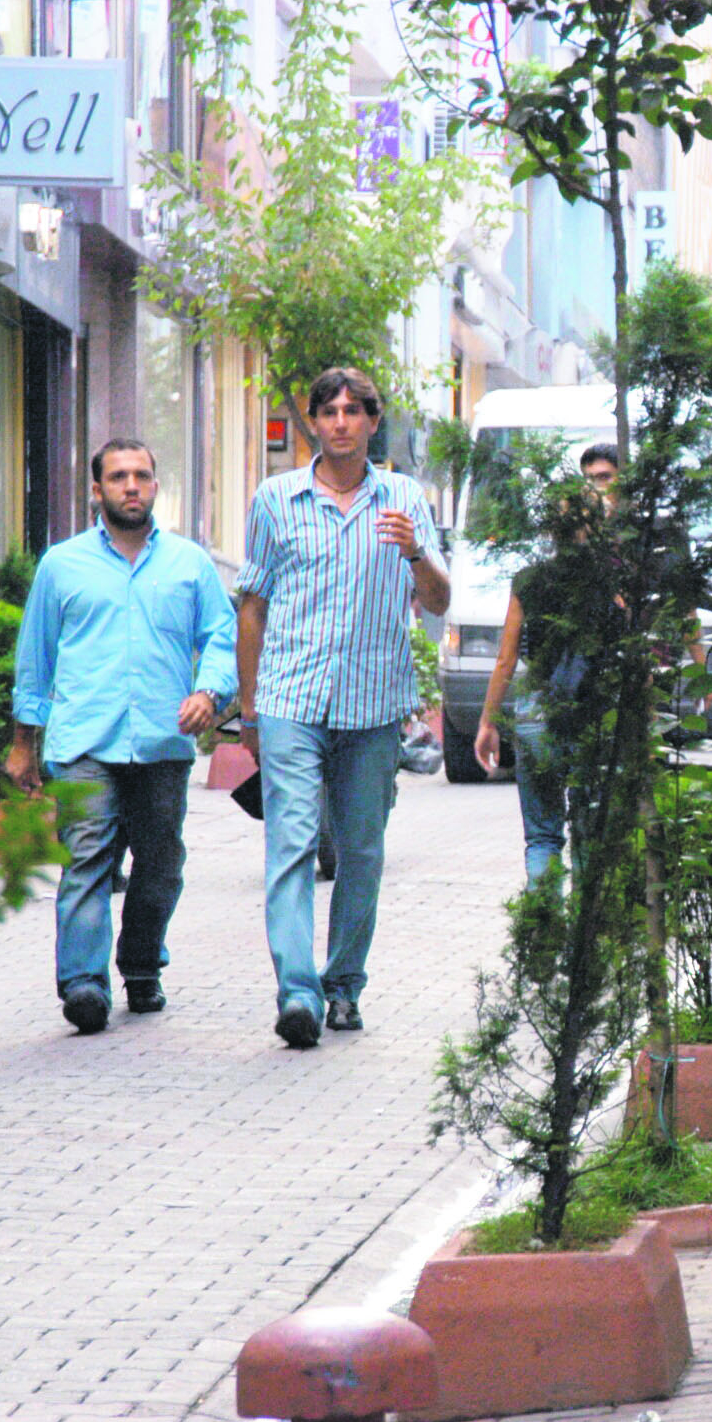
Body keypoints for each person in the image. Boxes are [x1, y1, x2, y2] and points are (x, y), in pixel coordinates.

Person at [236, 367, 451, 1048]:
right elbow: (253, 605)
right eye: (327, 410)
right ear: (312, 422)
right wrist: (249, 709)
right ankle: (296, 992)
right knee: (292, 843)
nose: (339, 422)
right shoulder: (276, 499)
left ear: (372, 421)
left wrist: (415, 551)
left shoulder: (405, 499)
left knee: (361, 851)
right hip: (291, 700)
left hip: (374, 705)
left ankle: (343, 985)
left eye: (353, 410)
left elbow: (440, 601)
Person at [8, 437, 237, 1034]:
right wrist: (23, 741)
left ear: (156, 486)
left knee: (160, 864)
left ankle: (140, 965)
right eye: (118, 477)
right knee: (87, 858)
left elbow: (222, 635)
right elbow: (36, 657)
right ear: (97, 489)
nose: (131, 486)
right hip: (84, 741)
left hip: (163, 741)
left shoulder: (189, 564)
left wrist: (209, 693)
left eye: (141, 476)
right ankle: (83, 984)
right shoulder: (61, 565)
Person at [475, 444, 621, 883]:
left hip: (537, 711)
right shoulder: (611, 581)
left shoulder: (529, 580)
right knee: (591, 837)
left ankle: (541, 934)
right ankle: (582, 943)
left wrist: (488, 722)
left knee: (542, 837)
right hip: (592, 713)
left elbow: (505, 660)